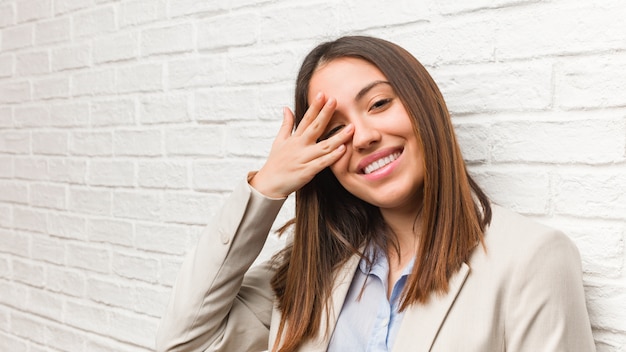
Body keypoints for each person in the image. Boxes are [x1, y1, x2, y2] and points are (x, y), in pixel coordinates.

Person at [156, 36, 595, 352]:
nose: (363, 136)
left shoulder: (531, 258)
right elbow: (183, 340)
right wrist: (267, 189)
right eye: (334, 129)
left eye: (380, 103)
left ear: (424, 106)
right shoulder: (311, 272)